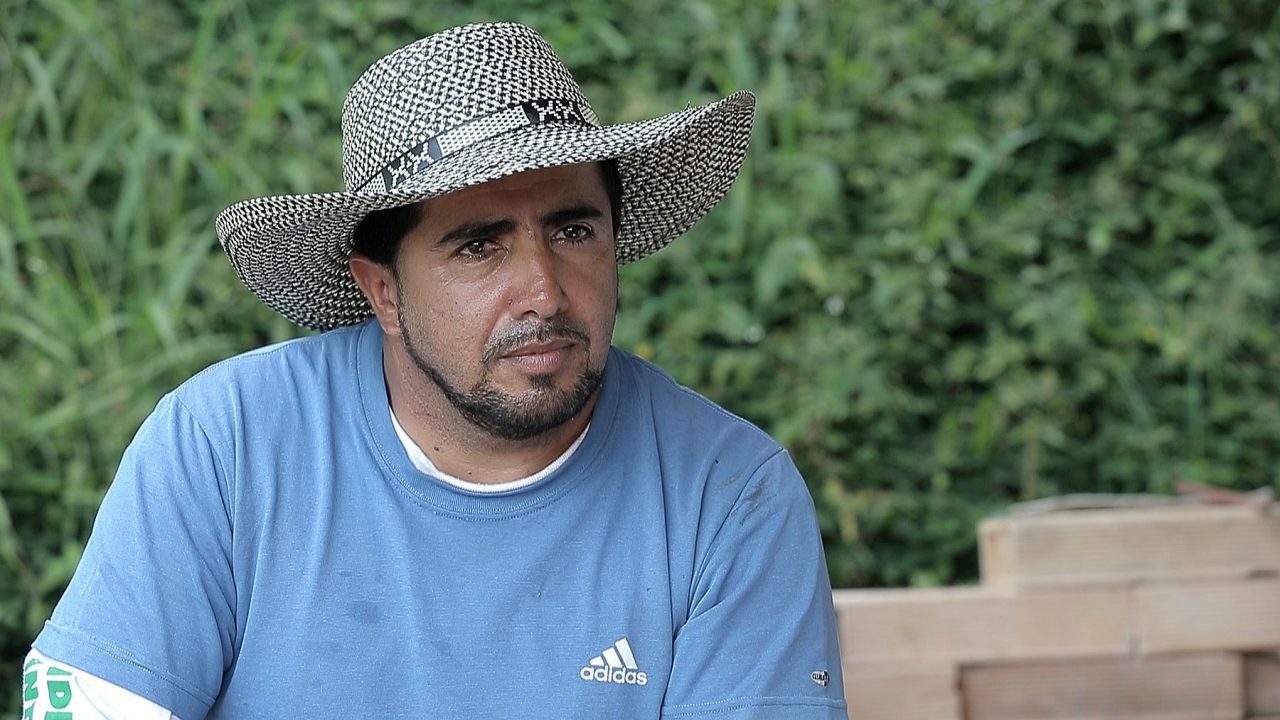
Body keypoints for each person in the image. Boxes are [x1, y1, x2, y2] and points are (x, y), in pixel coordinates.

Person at [22, 22, 847, 719]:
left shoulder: (728, 493)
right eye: (479, 245)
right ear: (381, 289)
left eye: (573, 230)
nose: (545, 291)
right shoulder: (226, 443)